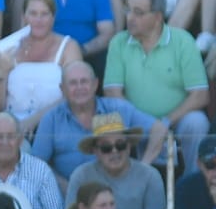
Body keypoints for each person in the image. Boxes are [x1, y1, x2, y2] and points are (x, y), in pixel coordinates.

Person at [103, 0, 210, 177]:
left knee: (197, 122)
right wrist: (148, 124)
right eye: (128, 11)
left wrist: (166, 122)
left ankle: (194, 182)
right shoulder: (119, 42)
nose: (130, 18)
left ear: (158, 17)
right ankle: (127, 180)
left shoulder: (183, 41)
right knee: (113, 116)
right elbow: (113, 94)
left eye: (139, 13)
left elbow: (200, 96)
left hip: (176, 120)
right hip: (135, 120)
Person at [31, 60, 167, 191]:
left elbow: (159, 129)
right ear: (62, 89)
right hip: (68, 194)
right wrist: (65, 187)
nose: (79, 88)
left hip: (118, 192)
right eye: (73, 83)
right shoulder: (52, 118)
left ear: (95, 84)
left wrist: (142, 168)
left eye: (84, 81)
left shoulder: (118, 109)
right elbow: (37, 164)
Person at [0, 0, 84, 139]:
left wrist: (33, 121)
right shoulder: (5, 48)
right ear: (24, 16)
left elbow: (74, 95)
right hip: (13, 129)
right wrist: (0, 74)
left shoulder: (69, 47)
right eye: (33, 13)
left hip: (57, 125)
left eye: (44, 14)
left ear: (53, 17)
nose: (39, 20)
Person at [66, 112, 165, 209]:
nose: (114, 151)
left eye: (120, 145)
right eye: (106, 147)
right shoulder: (81, 175)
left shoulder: (150, 176)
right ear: (95, 151)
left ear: (128, 146)